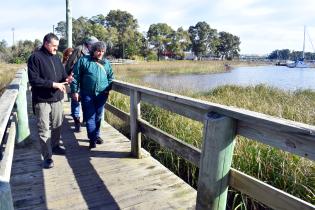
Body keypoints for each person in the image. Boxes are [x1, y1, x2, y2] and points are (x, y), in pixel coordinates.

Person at [28, 33, 73, 169]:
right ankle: (47, 157)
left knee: (58, 124)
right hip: (42, 100)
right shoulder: (35, 58)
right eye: (54, 46)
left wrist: (67, 79)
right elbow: (34, 80)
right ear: (46, 43)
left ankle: (55, 145)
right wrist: (54, 84)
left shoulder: (57, 58)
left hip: (57, 98)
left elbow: (62, 75)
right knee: (43, 129)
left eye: (57, 46)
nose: (56, 49)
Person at [71, 41, 114, 149]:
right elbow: (75, 77)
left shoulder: (106, 63)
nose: (100, 53)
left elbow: (110, 77)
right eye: (98, 51)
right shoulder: (83, 60)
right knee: (90, 116)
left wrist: (108, 89)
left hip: (102, 95)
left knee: (98, 117)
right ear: (93, 50)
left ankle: (96, 135)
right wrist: (74, 91)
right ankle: (92, 139)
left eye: (102, 51)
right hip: (87, 94)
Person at [65, 36, 98, 132]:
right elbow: (70, 64)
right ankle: (77, 121)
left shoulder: (94, 51)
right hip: (77, 79)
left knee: (86, 102)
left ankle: (85, 120)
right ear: (89, 44)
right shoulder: (79, 50)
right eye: (94, 44)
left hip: (87, 82)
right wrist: (68, 77)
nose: (95, 46)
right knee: (76, 100)